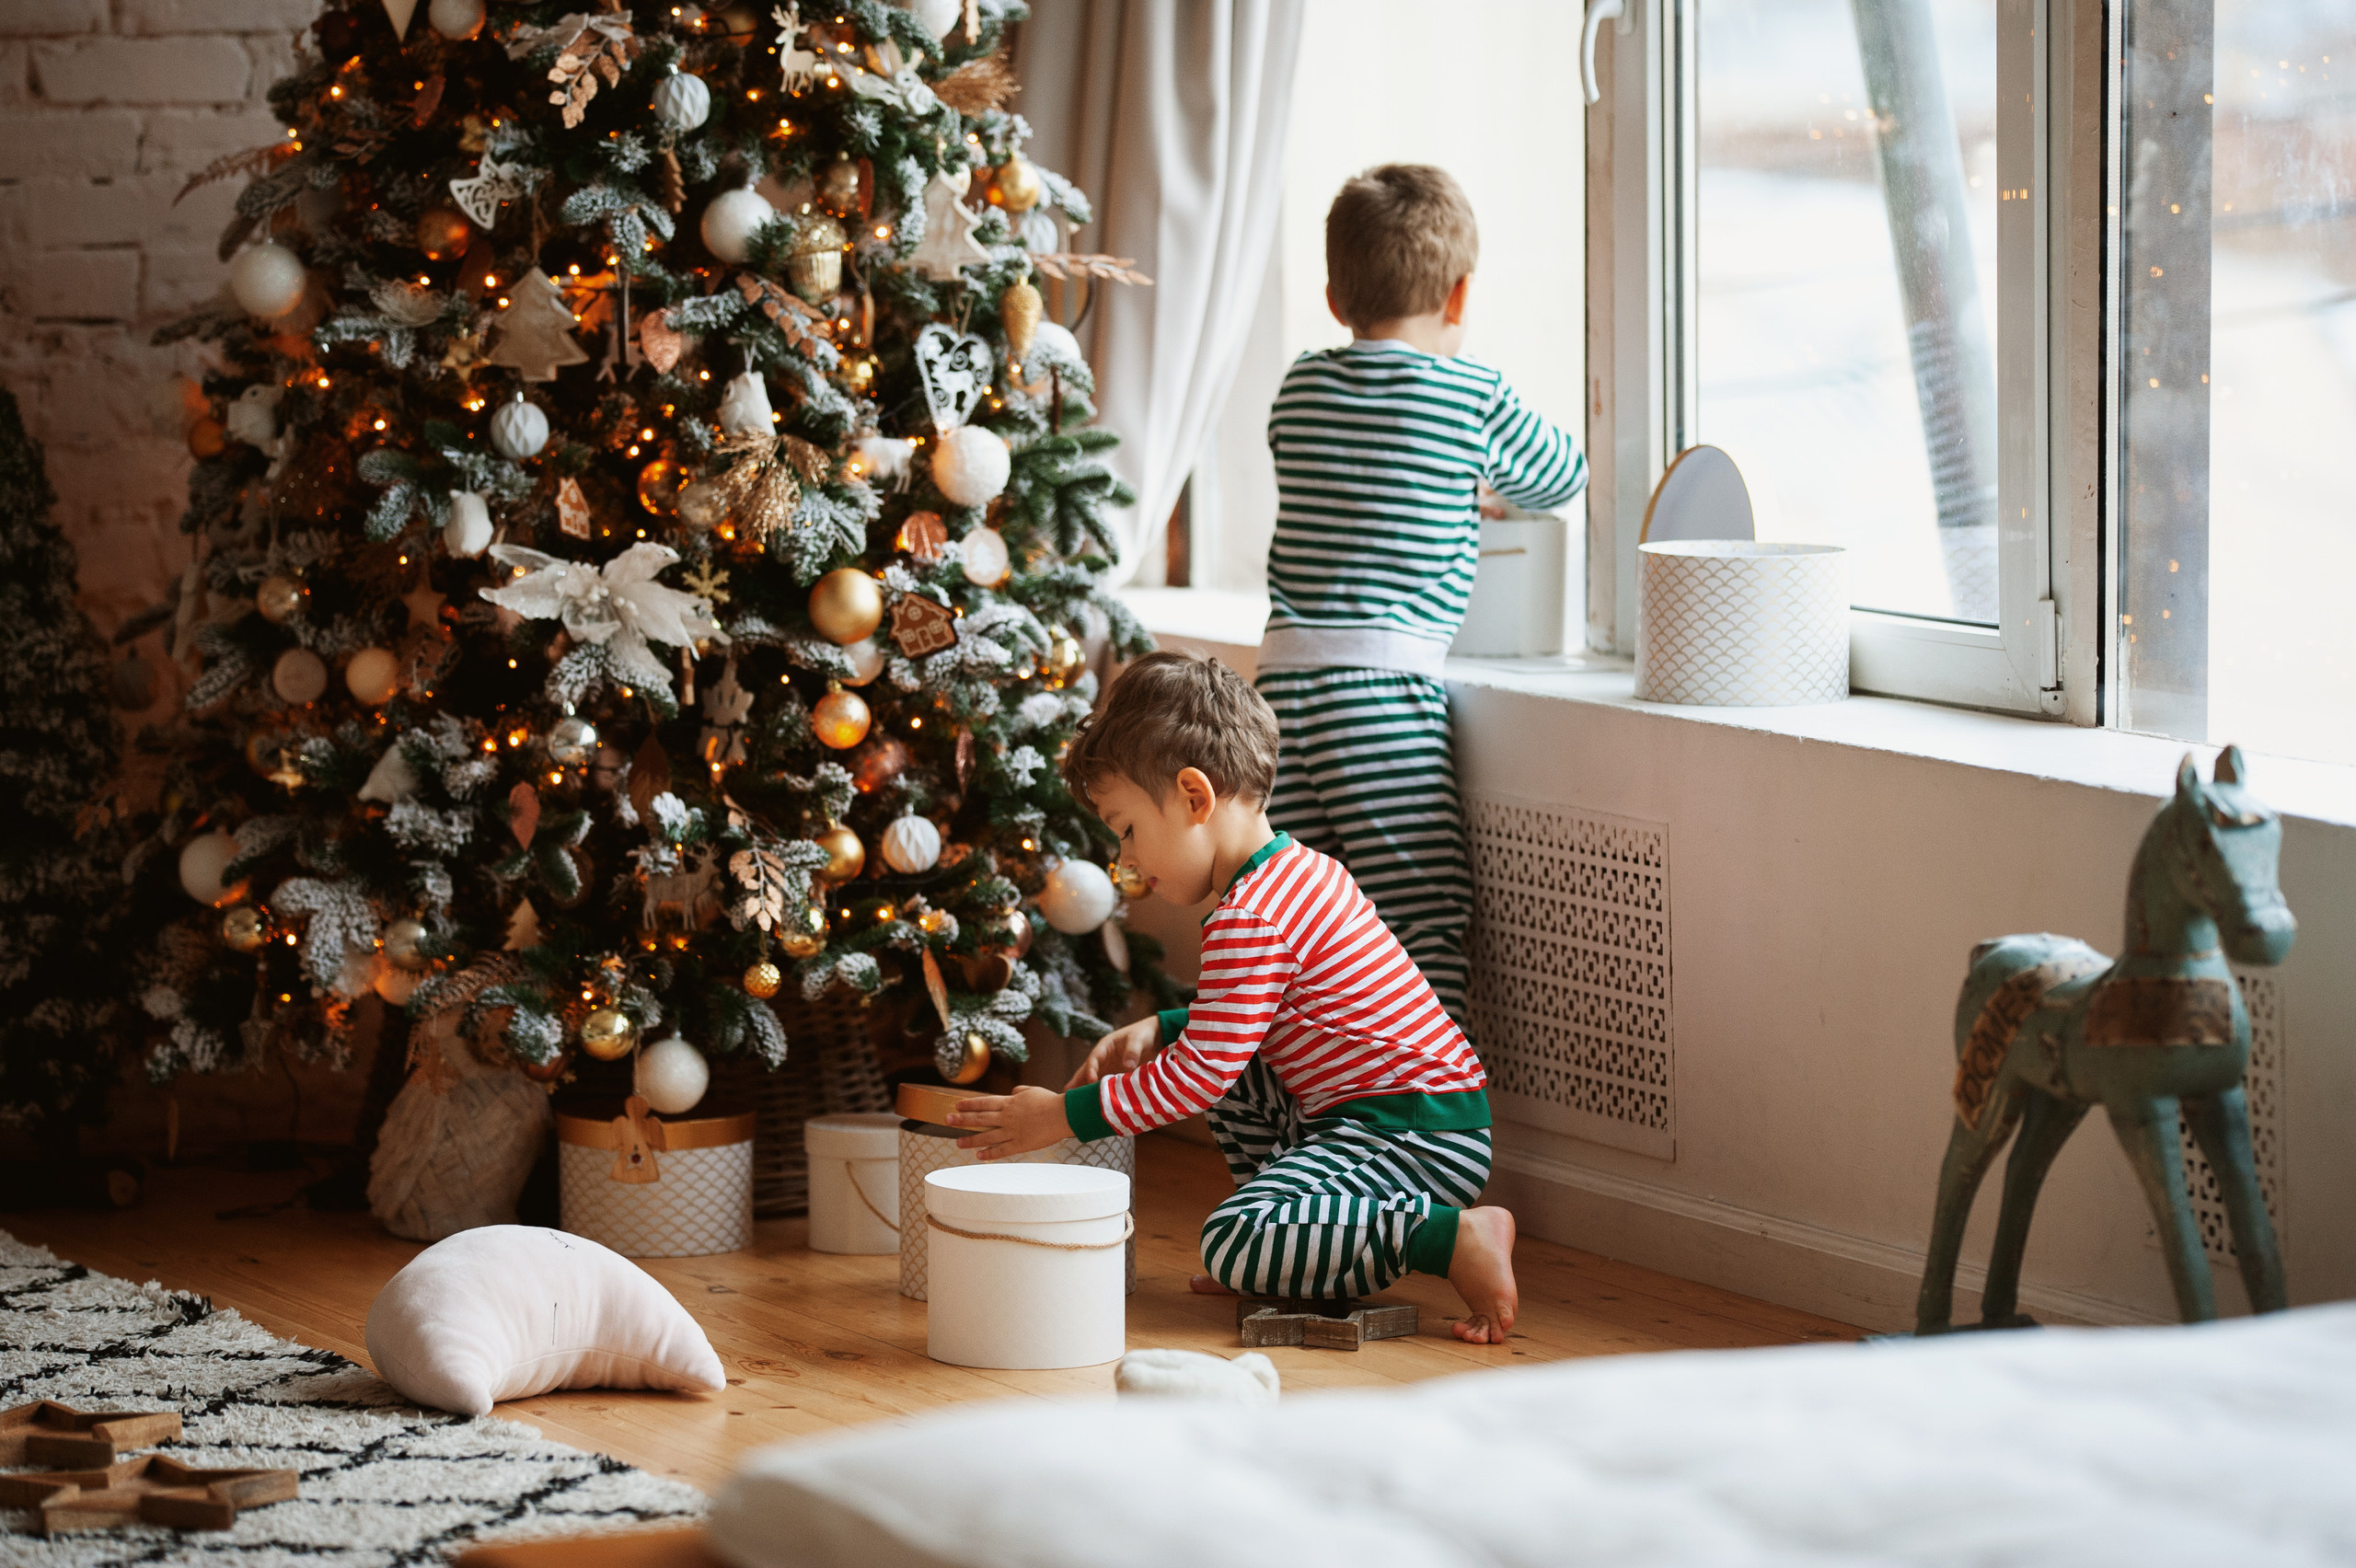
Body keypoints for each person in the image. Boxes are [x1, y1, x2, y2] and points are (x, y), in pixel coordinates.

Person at [946, 652, 1519, 1344]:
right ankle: (1294, 1251)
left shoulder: (1249, 915)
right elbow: (1264, 1022)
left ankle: (1449, 1238)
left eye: (1127, 830)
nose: (1127, 862)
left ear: (1194, 797)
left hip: (1411, 1136)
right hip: (1408, 1119)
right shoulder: (1298, 871)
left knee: (1229, 1236)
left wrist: (1064, 1117)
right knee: (1220, 1073)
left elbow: (1202, 1072)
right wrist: (1166, 1028)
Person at [1258, 163, 1588, 1032]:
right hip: (1379, 694)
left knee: (1292, 929)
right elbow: (1562, 475)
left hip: (1280, 696)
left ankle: (1307, 1098)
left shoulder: (1300, 386)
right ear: (1460, 294)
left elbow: (1354, 474)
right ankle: (1425, 1098)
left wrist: (1439, 486)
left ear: (1334, 300)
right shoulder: (1469, 393)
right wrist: (1471, 484)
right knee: (1418, 921)